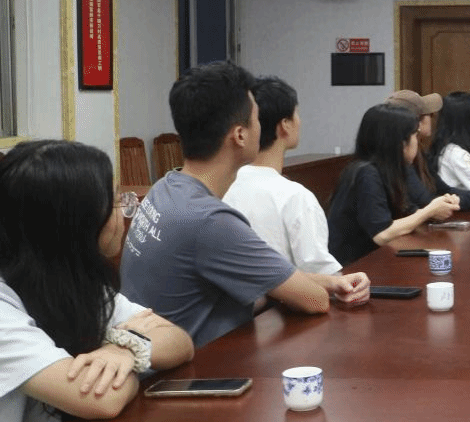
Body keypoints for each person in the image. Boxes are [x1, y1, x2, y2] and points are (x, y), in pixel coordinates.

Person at [120, 62, 370, 349]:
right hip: (197, 365)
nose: (261, 126)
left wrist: (328, 281)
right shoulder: (210, 220)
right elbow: (315, 301)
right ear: (240, 135)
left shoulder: (165, 188)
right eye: (256, 119)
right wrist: (321, 287)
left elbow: (265, 278)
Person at [0, 140, 194, 422]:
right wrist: (135, 354)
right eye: (116, 202)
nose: (125, 213)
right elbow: (101, 399)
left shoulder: (70, 282)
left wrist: (125, 349)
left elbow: (179, 341)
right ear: (77, 222)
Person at [223, 76, 343, 274]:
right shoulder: (295, 197)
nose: (300, 121)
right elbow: (322, 273)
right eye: (297, 114)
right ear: (285, 124)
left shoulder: (222, 186)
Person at [328, 103, 462, 265]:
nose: (417, 142)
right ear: (401, 143)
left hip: (378, 260)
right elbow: (382, 234)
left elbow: (408, 210)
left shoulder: (391, 170)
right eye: (415, 135)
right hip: (353, 267)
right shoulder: (366, 173)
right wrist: (429, 211)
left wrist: (440, 207)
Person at [386, 89, 470, 211]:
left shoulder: (420, 154)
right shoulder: (400, 158)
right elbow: (427, 201)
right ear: (416, 122)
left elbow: (443, 190)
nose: (433, 119)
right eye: (429, 115)